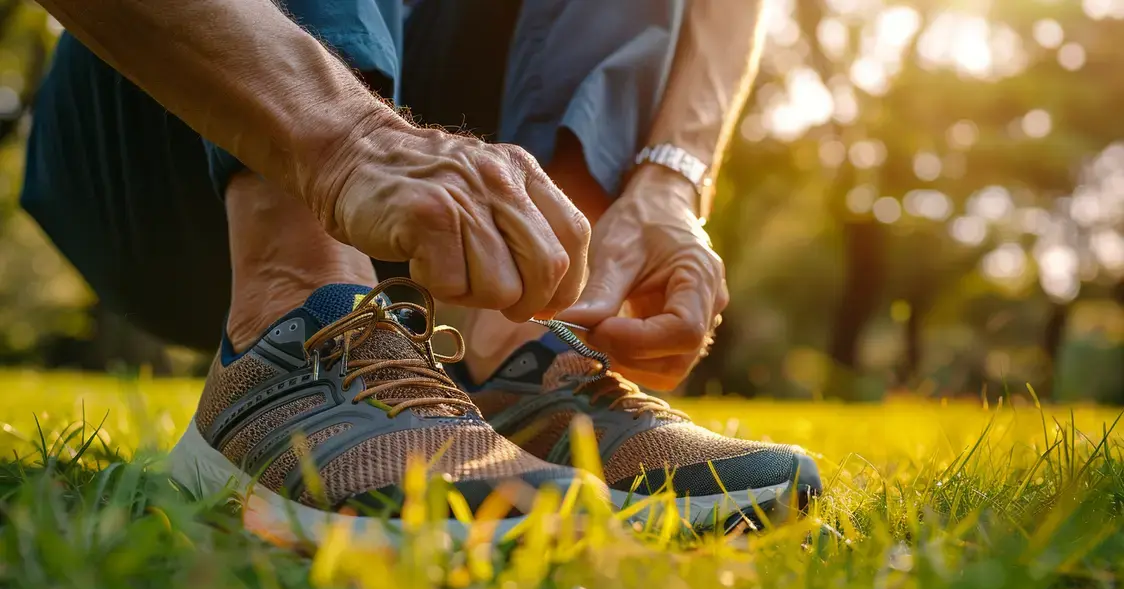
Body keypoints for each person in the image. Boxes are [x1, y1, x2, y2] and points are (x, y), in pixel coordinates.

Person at [22, 0, 819, 537]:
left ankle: (509, 349)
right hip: (166, 128)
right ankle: (293, 303)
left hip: (428, 171)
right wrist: (339, 140)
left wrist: (669, 184)